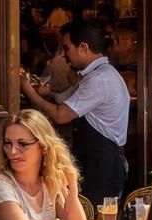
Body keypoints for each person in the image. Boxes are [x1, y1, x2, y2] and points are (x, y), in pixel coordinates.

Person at [28, 20, 130, 205]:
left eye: (67, 48)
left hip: (103, 163)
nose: (65, 55)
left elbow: (61, 115)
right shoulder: (94, 74)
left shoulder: (99, 79)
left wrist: (29, 92)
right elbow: (66, 99)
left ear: (83, 47)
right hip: (94, 159)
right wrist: (47, 92)